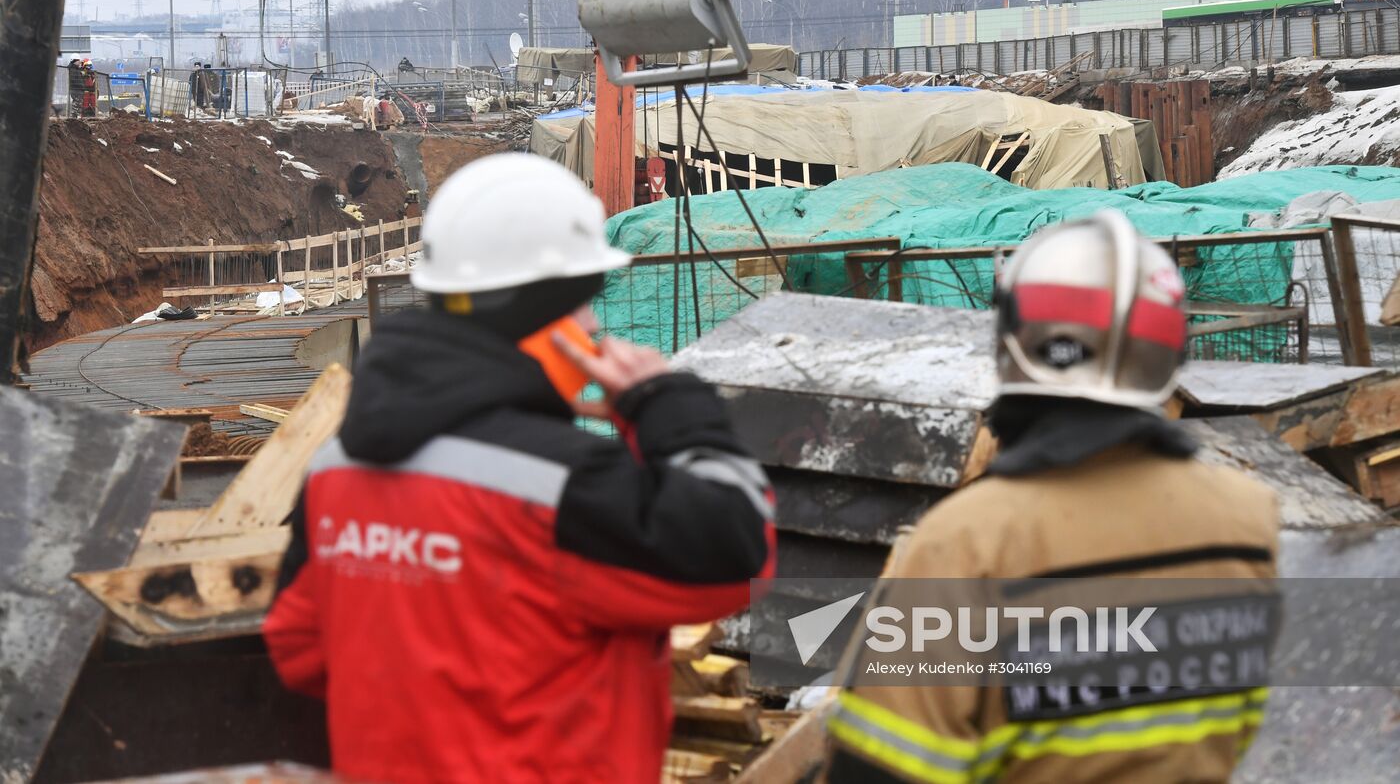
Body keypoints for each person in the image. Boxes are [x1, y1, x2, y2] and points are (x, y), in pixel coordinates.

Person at [264, 153, 775, 784]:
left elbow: (299, 650)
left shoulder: (337, 468)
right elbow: (733, 551)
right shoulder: (557, 485)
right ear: (549, 312)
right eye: (587, 302)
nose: (594, 326)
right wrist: (667, 404)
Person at [825, 210, 1279, 784]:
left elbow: (877, 771)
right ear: (1168, 350)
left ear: (1015, 341)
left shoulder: (964, 547)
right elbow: (1239, 724)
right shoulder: (1248, 519)